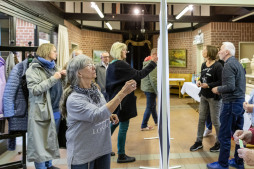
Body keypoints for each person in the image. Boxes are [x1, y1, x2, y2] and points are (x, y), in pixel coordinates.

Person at [60, 54, 137, 169]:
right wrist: (123, 93)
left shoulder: (94, 89)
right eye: (88, 65)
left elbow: (100, 108)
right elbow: (97, 115)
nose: (93, 67)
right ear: (79, 73)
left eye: (92, 64)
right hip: (83, 154)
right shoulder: (74, 99)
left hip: (102, 149)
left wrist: (109, 115)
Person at [106, 42, 158, 163]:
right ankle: (121, 155)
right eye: (124, 50)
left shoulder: (112, 64)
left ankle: (104, 149)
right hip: (122, 101)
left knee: (114, 124)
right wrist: (153, 63)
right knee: (123, 126)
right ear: (119, 51)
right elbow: (139, 75)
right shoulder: (120, 64)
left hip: (116, 99)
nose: (126, 53)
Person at [26, 43, 66, 169]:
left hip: (56, 110)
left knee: (50, 139)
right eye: (54, 51)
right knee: (40, 143)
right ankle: (41, 167)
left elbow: (60, 87)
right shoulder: (33, 69)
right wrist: (54, 78)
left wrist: (63, 77)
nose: (56, 53)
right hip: (41, 111)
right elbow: (35, 89)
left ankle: (48, 165)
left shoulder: (55, 67)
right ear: (47, 52)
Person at [208, 42, 246, 169]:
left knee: (224, 135)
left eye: (221, 49)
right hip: (239, 104)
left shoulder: (228, 65)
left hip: (230, 104)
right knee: (239, 134)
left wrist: (217, 88)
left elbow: (230, 86)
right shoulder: (238, 64)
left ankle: (223, 164)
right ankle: (239, 161)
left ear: (227, 52)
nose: (219, 51)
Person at [190, 45, 222, 152]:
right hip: (203, 95)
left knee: (215, 120)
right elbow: (202, 77)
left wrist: (208, 85)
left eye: (204, 50)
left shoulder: (218, 66)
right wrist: (199, 81)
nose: (203, 51)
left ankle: (219, 142)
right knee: (201, 119)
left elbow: (221, 82)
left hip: (214, 97)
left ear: (210, 53)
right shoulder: (204, 64)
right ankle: (198, 141)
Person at [140, 48, 158, 131]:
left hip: (147, 87)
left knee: (153, 106)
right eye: (158, 55)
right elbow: (153, 79)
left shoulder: (146, 62)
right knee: (150, 107)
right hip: (150, 89)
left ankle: (157, 121)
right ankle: (144, 125)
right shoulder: (152, 64)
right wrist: (158, 91)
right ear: (154, 55)